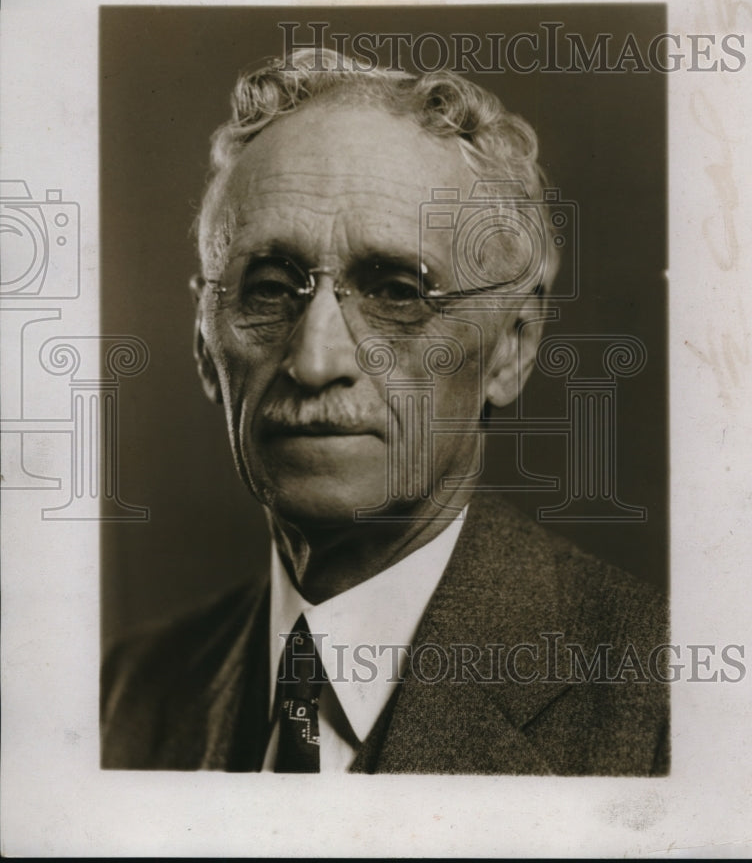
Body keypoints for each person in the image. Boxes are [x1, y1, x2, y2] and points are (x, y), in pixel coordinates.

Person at [101, 48, 668, 774]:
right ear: (203, 343)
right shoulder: (122, 696)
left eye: (398, 292)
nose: (315, 361)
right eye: (270, 289)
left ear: (511, 350)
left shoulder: (668, 708)